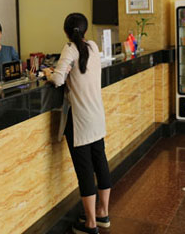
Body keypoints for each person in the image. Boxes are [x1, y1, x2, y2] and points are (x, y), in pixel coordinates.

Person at [44, 13, 111, 234]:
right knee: (100, 162)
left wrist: (48, 73)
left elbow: (58, 80)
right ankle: (103, 213)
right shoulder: (93, 46)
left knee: (85, 170)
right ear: (85, 29)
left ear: (66, 31)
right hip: (97, 116)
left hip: (80, 119)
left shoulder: (70, 49)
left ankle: (90, 224)